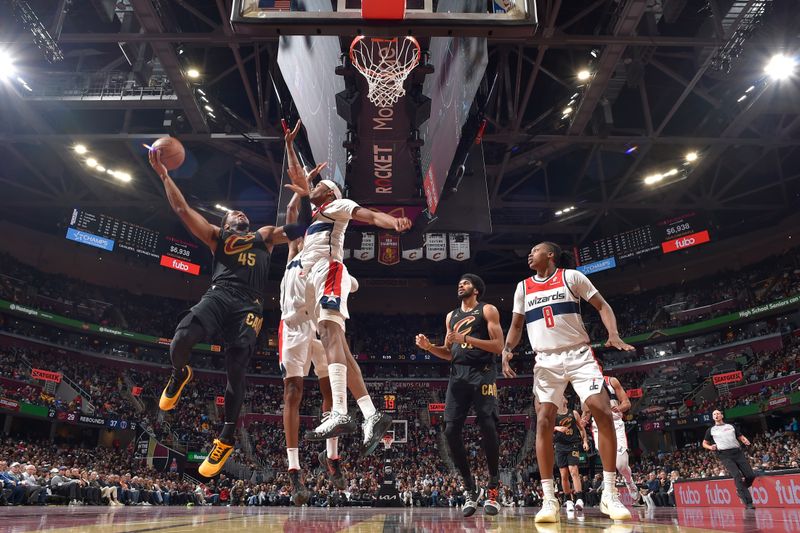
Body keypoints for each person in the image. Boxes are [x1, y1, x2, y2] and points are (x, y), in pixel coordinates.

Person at [148, 140, 313, 478]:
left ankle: (226, 437)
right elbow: (182, 211)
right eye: (232, 213)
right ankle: (181, 374)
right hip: (220, 294)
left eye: (242, 213)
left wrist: (306, 196)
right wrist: (165, 176)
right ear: (224, 224)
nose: (240, 214)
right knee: (180, 341)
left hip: (249, 304)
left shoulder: (264, 235)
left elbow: (300, 229)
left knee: (236, 370)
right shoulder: (215, 236)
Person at [502, 241, 633, 523]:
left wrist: (613, 333)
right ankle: (549, 499)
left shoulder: (571, 277)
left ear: (550, 255)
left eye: (535, 250)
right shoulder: (523, 287)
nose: (529, 253)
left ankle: (609, 493)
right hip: (545, 360)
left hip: (579, 354)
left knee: (602, 411)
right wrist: (507, 349)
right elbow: (515, 325)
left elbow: (602, 305)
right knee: (545, 420)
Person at [297, 155, 412, 448]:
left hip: (329, 270)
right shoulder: (320, 209)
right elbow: (304, 186)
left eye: (320, 186)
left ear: (331, 193)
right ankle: (371, 414)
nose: (315, 188)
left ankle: (339, 411)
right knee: (342, 351)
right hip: (313, 280)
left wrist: (393, 222)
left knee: (330, 334)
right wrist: (291, 151)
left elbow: (370, 215)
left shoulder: (338, 204)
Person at [278, 122, 340, 505]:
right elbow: (292, 203)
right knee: (293, 392)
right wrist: (290, 146)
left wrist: (314, 185)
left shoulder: (323, 247)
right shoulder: (292, 251)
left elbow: (312, 202)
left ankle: (332, 458)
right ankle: (295, 472)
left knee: (331, 392)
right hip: (293, 327)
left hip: (318, 325)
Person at [415, 274, 505, 517]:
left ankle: (494, 487)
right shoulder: (450, 316)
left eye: (465, 283)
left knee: (487, 425)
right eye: (459, 283)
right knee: (450, 431)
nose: (460, 285)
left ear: (476, 289)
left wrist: (465, 338)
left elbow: (498, 346)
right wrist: (430, 348)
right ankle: (469, 488)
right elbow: (449, 353)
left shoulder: (487, 310)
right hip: (458, 376)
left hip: (483, 373)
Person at [583, 375, 638, 501]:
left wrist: (619, 408)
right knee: (608, 463)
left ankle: (629, 481)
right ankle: (611, 494)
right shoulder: (586, 384)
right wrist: (584, 419)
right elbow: (586, 411)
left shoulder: (611, 381)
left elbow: (627, 403)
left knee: (621, 465)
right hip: (599, 426)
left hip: (616, 424)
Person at [702, 409, 757, 508]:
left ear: (722, 416)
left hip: (737, 452)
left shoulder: (731, 426)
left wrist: (745, 440)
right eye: (714, 414)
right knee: (737, 475)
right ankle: (748, 502)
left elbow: (740, 436)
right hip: (724, 454)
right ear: (713, 417)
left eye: (718, 413)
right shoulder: (711, 430)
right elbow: (704, 443)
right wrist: (711, 447)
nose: (716, 415)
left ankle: (741, 489)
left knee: (750, 475)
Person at [553, 396, 589, 512]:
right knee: (563, 475)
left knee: (574, 471)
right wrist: (556, 428)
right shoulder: (554, 415)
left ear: (566, 401)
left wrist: (584, 441)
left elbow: (581, 429)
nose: (560, 397)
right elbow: (546, 429)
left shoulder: (573, 413)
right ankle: (568, 500)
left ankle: (579, 499)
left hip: (573, 444)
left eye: (562, 396)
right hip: (559, 446)